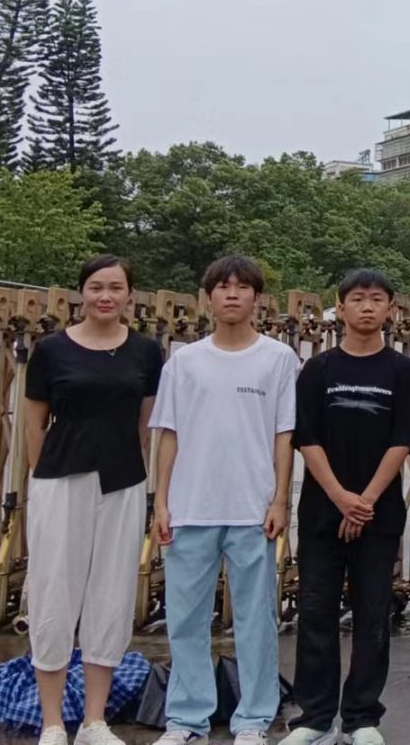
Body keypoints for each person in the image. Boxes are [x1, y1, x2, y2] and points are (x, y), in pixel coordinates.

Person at [149, 256, 301, 745]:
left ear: (258, 298)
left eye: (241, 287)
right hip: (191, 507)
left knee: (256, 619)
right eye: (222, 286)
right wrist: (161, 502)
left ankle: (253, 718)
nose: (232, 294)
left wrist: (280, 500)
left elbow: (284, 435)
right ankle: (185, 718)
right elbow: (168, 434)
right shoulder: (184, 361)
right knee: (185, 617)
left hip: (252, 508)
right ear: (208, 297)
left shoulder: (279, 359)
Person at [281, 270, 410, 745]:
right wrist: (341, 497)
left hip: (378, 514)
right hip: (323, 512)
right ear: (340, 307)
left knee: (372, 615)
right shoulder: (318, 369)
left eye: (377, 299)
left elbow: (404, 439)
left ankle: (362, 717)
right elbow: (306, 438)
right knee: (316, 613)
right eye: (358, 298)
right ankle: (314, 718)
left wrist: (364, 501)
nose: (367, 307)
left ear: (391, 309)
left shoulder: (400, 370)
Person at [23, 254, 165, 745]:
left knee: (111, 593)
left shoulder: (146, 351)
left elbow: (145, 422)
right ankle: (52, 723)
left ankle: (94, 721)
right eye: (97, 287)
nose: (106, 296)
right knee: (54, 591)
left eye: (116, 288)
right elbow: (34, 424)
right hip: (60, 479)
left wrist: (124, 456)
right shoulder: (51, 350)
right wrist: (43, 477)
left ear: (130, 296)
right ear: (81, 293)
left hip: (122, 481)